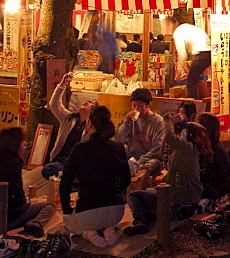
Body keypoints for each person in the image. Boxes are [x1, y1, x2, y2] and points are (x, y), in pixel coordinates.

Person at [60, 105, 131, 248]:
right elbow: (126, 180)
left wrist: (67, 209)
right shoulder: (118, 147)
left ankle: (88, 233)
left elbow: (65, 183)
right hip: (116, 211)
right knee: (102, 218)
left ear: (90, 124)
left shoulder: (80, 148)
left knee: (67, 221)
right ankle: (108, 228)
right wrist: (116, 192)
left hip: (88, 212)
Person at [125, 118, 211, 235]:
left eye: (182, 131)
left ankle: (141, 223)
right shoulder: (189, 150)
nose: (180, 134)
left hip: (180, 206)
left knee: (134, 196)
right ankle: (146, 220)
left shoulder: (189, 149)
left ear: (187, 134)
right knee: (148, 201)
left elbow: (169, 137)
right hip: (182, 203)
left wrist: (167, 119)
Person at [41, 72, 95, 179]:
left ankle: (69, 176)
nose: (86, 103)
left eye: (90, 103)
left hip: (78, 164)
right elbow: (54, 104)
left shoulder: (92, 127)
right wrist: (63, 83)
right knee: (48, 169)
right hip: (61, 160)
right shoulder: (69, 118)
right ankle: (69, 176)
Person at [115, 87, 166, 171]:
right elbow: (119, 140)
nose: (136, 109)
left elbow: (157, 149)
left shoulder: (158, 122)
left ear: (149, 104)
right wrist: (126, 123)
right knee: (114, 156)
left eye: (140, 106)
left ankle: (133, 169)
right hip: (132, 155)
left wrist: (138, 162)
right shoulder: (130, 118)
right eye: (134, 105)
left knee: (154, 164)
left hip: (148, 159)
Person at [172, 10, 212, 100]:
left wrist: (179, 71)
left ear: (176, 23)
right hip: (210, 53)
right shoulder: (190, 27)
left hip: (201, 55)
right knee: (196, 78)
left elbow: (182, 53)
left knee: (190, 81)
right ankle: (200, 100)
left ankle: (193, 103)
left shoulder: (178, 32)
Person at [197, 112, 230, 201]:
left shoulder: (210, 148)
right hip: (222, 187)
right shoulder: (216, 144)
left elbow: (203, 174)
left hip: (215, 190)